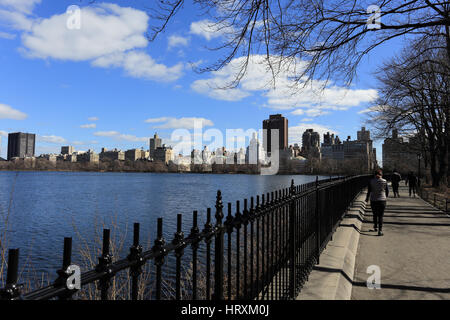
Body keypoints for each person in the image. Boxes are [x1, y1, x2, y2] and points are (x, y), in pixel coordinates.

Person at [366, 169, 389, 236]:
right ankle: (380, 230)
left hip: (373, 200)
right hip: (382, 200)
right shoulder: (384, 181)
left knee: (374, 214)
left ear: (374, 174)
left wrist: (367, 198)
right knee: (380, 216)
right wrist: (385, 196)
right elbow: (387, 190)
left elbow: (369, 191)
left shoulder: (371, 181)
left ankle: (375, 227)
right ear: (381, 174)